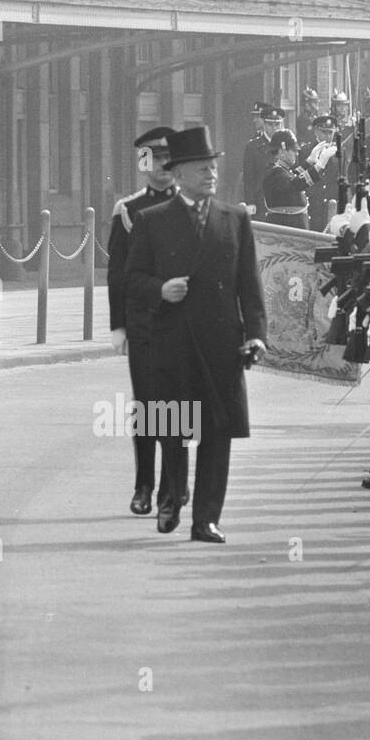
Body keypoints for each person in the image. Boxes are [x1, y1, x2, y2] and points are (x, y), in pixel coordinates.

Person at [125, 126, 267, 544]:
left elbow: (250, 286)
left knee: (216, 433)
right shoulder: (152, 221)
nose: (210, 174)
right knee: (171, 426)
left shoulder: (235, 219)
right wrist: (160, 290)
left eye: (213, 167)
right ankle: (172, 495)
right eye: (201, 168)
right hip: (173, 342)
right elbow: (132, 280)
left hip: (222, 343)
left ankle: (206, 519)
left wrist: (256, 335)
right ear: (180, 173)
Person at [105, 125, 187, 516]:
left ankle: (175, 486)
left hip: (183, 323)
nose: (163, 167)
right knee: (148, 405)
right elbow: (118, 273)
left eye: (170, 160)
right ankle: (144, 486)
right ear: (144, 162)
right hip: (144, 324)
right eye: (154, 159)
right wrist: (118, 325)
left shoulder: (192, 207)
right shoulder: (129, 210)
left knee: (181, 407)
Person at [262, 129, 328, 230]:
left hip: (289, 226)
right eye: (293, 150)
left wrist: (309, 162)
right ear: (282, 151)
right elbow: (294, 184)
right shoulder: (275, 172)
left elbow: (292, 178)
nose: (297, 154)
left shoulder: (279, 170)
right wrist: (319, 166)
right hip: (286, 228)